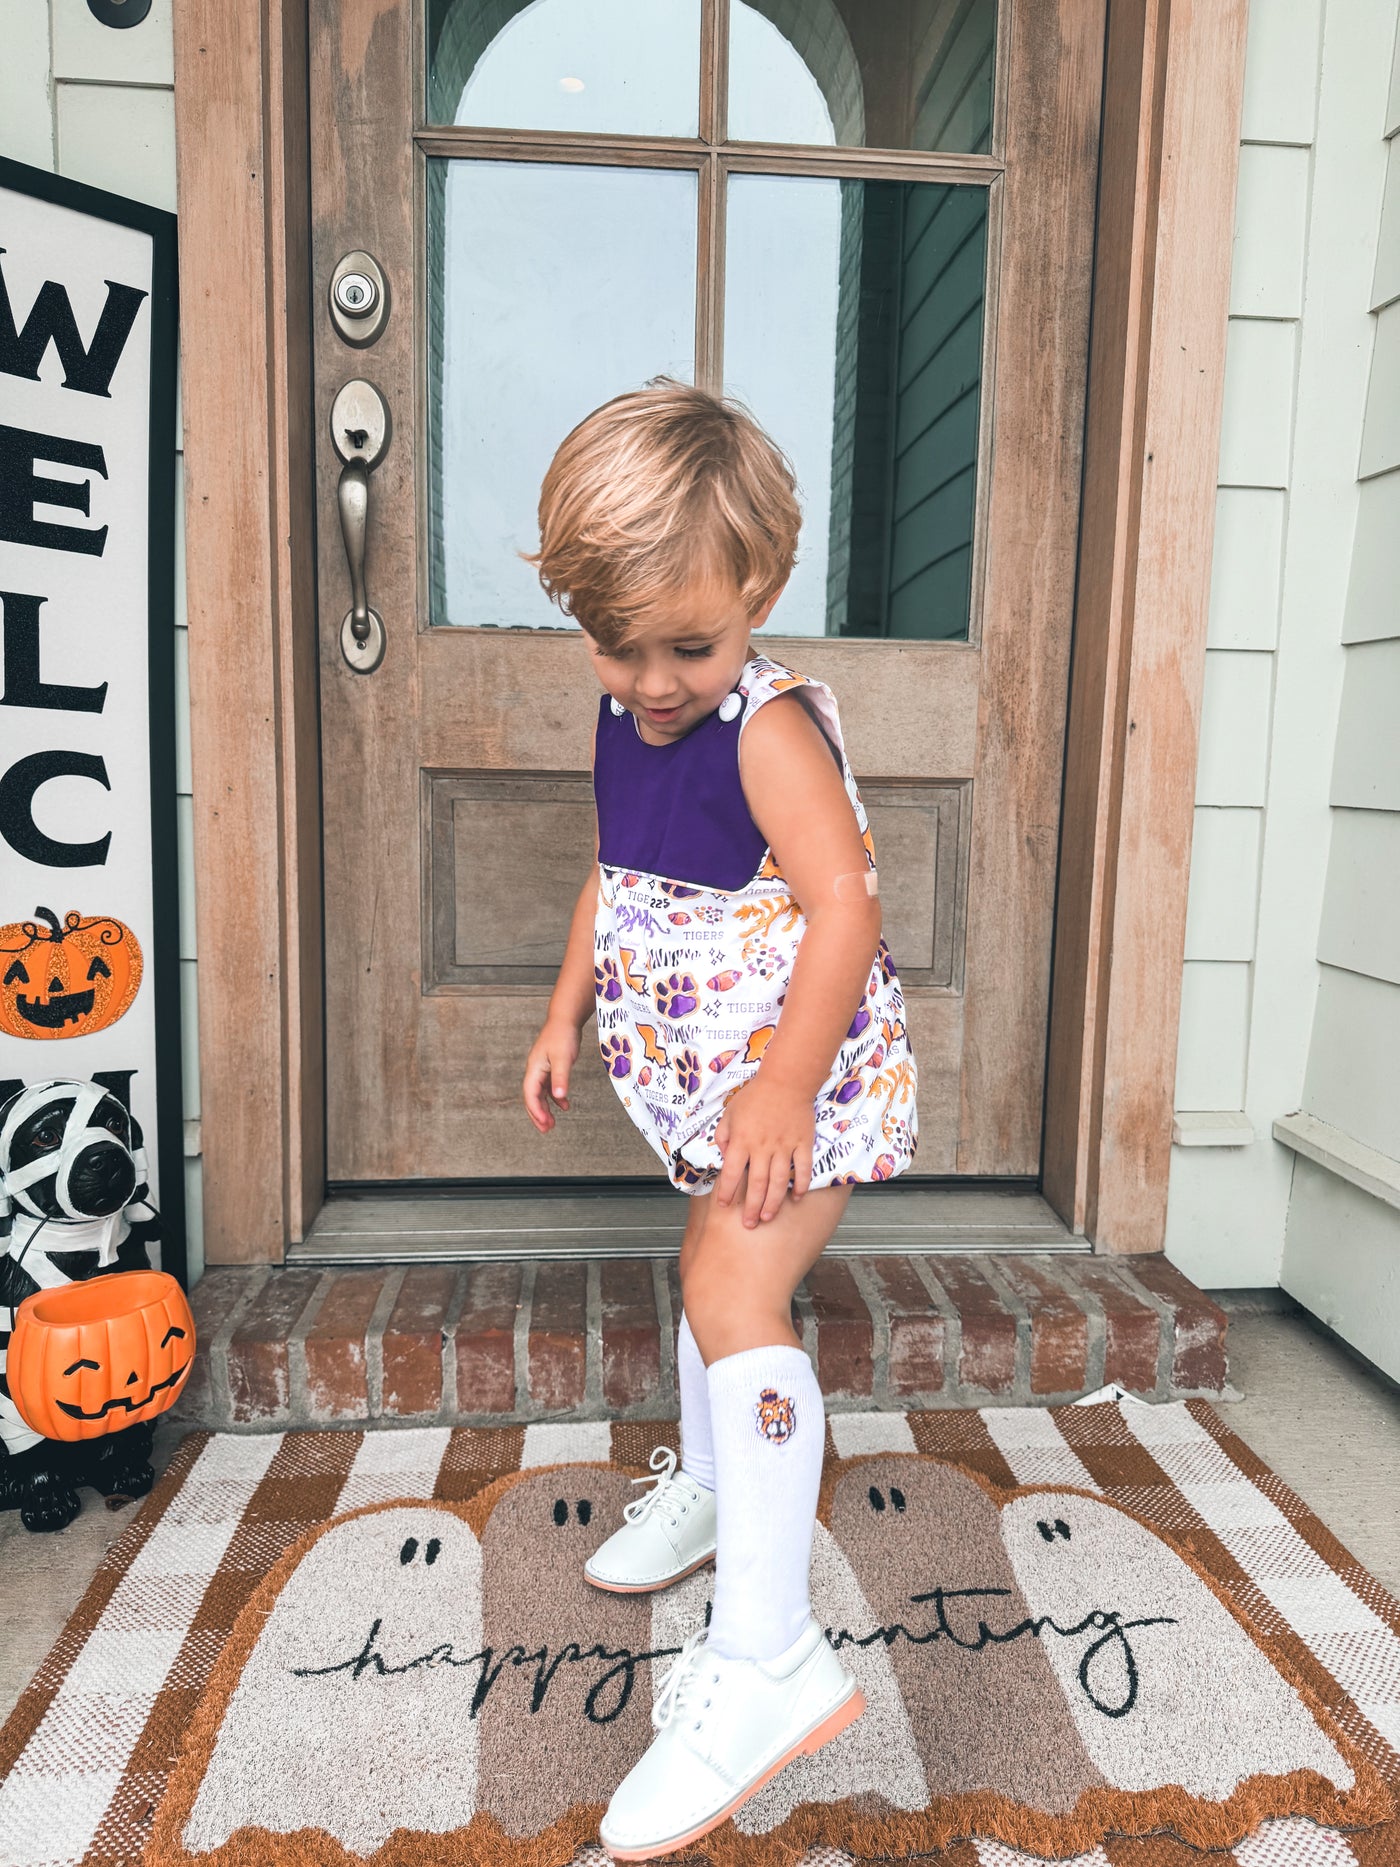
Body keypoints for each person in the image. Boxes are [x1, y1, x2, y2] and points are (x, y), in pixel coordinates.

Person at [521, 377, 918, 1860]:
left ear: (759, 589)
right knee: (702, 1275)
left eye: (690, 643)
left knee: (730, 1285)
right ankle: (709, 1484)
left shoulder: (766, 732)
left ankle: (766, 1657)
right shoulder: (627, 712)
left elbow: (842, 904)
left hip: (797, 1081)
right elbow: (612, 875)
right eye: (619, 645)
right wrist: (567, 1010)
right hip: (712, 1082)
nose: (655, 679)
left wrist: (784, 1086)